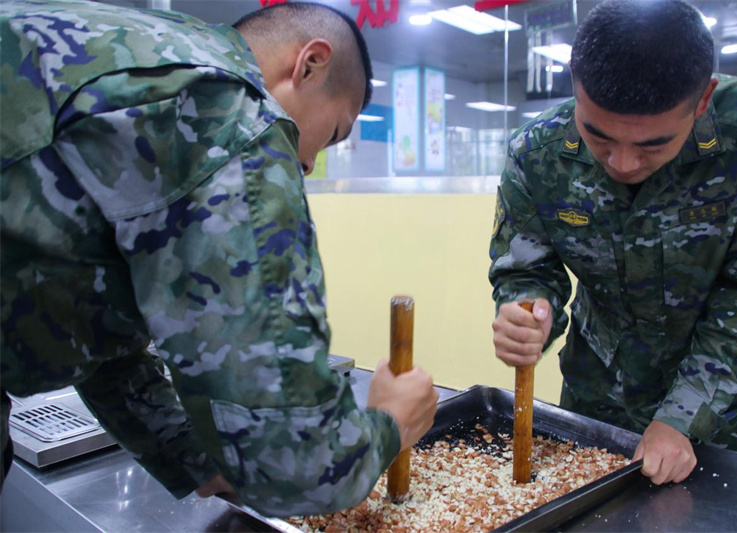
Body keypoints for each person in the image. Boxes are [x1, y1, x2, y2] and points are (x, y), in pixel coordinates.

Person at [0, 0, 439, 516]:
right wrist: (390, 422)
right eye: (334, 133)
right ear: (309, 64)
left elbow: (94, 318)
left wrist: (190, 453)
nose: (310, 160)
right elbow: (301, 470)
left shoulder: (143, 54)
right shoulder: (228, 112)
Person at [490, 0, 737, 486]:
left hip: (714, 419)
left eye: (652, 144)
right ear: (575, 81)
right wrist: (529, 311)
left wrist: (682, 419)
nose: (623, 162)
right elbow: (527, 270)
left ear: (702, 100)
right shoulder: (537, 153)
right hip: (593, 404)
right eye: (599, 136)